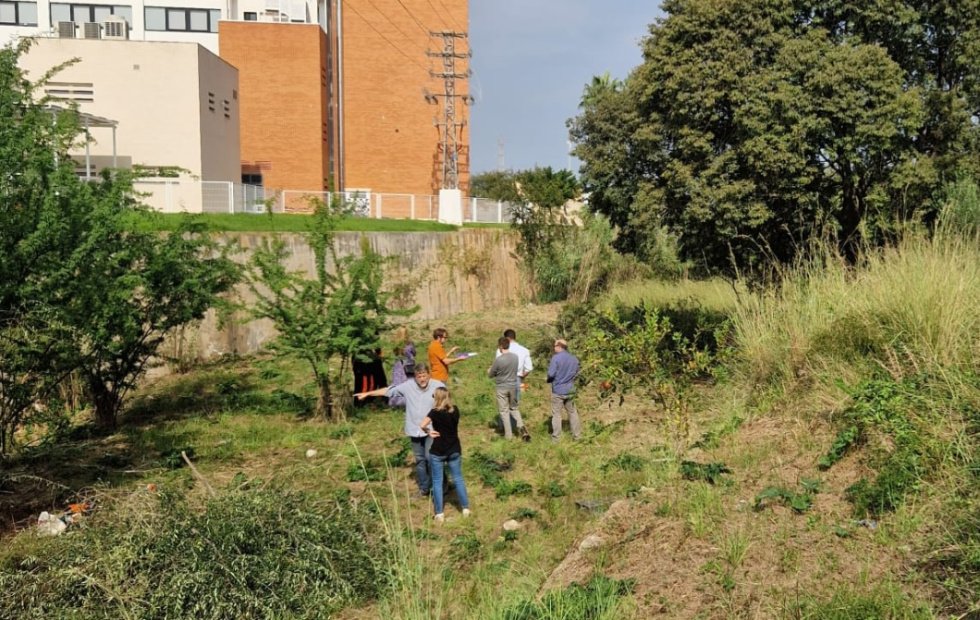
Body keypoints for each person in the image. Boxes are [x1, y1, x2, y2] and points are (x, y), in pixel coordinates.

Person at [355, 363, 443, 498]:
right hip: (414, 429)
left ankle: (441, 486)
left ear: (429, 375)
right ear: (415, 377)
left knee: (430, 458)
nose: (422, 379)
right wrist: (367, 393)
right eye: (419, 376)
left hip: (432, 429)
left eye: (424, 375)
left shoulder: (438, 386)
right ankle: (424, 489)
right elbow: (388, 390)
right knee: (420, 460)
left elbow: (446, 402)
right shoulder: (408, 386)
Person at [419, 387, 471, 523]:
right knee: (458, 478)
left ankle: (439, 513)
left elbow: (422, 424)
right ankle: (465, 508)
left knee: (437, 482)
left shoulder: (434, 412)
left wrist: (428, 432)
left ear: (437, 397)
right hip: (454, 448)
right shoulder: (455, 410)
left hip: (438, 451)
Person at [488, 336, 531, 441]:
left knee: (504, 411)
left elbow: (491, 375)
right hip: (513, 386)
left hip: (502, 387)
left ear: (500, 347)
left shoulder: (498, 360)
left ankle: (508, 436)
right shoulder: (515, 357)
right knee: (514, 408)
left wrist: (489, 370)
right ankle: (522, 429)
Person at [547, 338, 581, 442]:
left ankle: (556, 438)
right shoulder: (574, 359)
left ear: (559, 346)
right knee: (572, 412)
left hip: (558, 390)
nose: (554, 348)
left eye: (555, 346)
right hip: (570, 390)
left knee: (556, 414)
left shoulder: (555, 358)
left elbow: (551, 374)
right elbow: (576, 373)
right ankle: (577, 436)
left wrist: (549, 379)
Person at [496, 329, 533, 402]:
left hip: (503, 379)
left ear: (506, 338)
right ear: (514, 337)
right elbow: (529, 368)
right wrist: (522, 376)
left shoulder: (500, 350)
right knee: (514, 406)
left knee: (503, 406)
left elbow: (497, 366)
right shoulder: (524, 350)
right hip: (516, 379)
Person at [388, 328, 416, 408]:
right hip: (408, 365)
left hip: (398, 366)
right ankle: (408, 402)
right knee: (409, 383)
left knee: (397, 383)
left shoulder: (396, 344)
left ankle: (395, 402)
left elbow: (395, 353)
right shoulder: (410, 344)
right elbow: (414, 353)